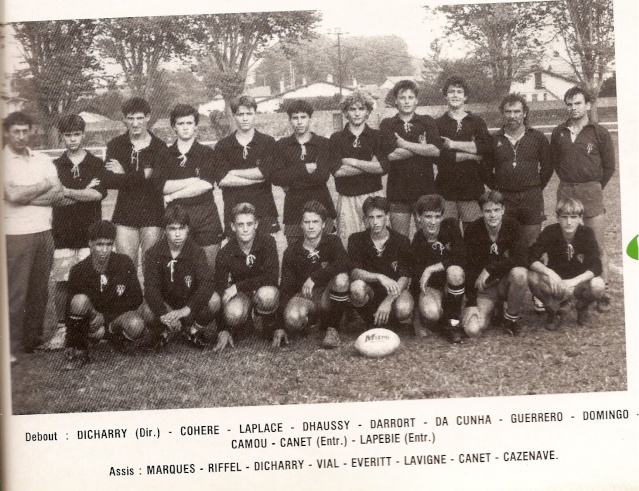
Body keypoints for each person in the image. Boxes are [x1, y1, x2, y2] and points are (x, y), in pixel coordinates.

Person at [549, 86, 615, 312]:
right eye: (569, 104)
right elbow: (556, 163)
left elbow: (609, 166)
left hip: (591, 191)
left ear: (587, 105)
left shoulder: (600, 132)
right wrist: (571, 182)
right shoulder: (559, 132)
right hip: (566, 190)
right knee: (565, 241)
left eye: (578, 103)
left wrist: (593, 186)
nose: (573, 108)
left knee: (597, 244)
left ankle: (602, 291)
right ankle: (566, 291)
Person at [4, 111, 63, 362]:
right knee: (16, 291)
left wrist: (24, 195)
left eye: (24, 130)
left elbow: (58, 194)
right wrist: (42, 186)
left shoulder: (42, 159)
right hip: (15, 233)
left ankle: (32, 341)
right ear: (6, 133)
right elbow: (12, 195)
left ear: (31, 131)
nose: (20, 136)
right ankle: (9, 346)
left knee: (39, 291)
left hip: (44, 232)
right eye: (15, 131)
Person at [48, 114, 107, 349]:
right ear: (62, 136)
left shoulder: (95, 163)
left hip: (90, 235)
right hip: (62, 235)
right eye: (68, 135)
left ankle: (92, 326)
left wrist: (67, 191)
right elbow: (54, 198)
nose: (72, 139)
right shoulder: (55, 165)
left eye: (76, 134)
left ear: (83, 135)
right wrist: (81, 191)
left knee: (91, 281)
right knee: (62, 283)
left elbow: (97, 195)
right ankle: (62, 329)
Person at [64, 220, 145, 370]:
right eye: (99, 244)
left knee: (136, 324)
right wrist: (71, 341)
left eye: (109, 244)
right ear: (90, 243)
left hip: (114, 318)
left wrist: (106, 317)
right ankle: (80, 349)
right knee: (80, 300)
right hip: (92, 323)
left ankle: (116, 339)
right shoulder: (78, 270)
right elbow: (70, 308)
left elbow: (136, 298)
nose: (104, 250)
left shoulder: (124, 263)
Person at [102, 97, 168, 269]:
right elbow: (109, 180)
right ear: (124, 119)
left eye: (139, 118)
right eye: (131, 118)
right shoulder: (116, 145)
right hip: (125, 215)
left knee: (151, 268)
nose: (135, 123)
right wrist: (142, 175)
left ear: (148, 117)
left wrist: (124, 174)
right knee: (125, 268)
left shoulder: (160, 147)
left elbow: (156, 182)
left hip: (153, 215)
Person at [153, 104, 223, 267]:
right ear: (173, 127)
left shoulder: (206, 153)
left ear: (195, 126)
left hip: (206, 215)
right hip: (177, 216)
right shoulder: (164, 154)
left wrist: (174, 195)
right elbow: (161, 186)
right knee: (180, 268)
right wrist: (193, 180)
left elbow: (205, 184)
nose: (185, 127)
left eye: (189, 123)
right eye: (181, 123)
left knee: (209, 267)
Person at [143, 204, 220, 349]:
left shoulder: (196, 252)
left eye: (181, 228)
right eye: (172, 229)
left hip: (189, 306)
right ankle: (164, 332)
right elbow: (150, 288)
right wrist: (164, 314)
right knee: (147, 310)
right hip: (167, 306)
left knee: (214, 300)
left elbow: (207, 284)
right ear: (165, 230)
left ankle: (193, 331)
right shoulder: (153, 253)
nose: (177, 234)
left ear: (188, 229)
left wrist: (186, 309)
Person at [321, 91, 390, 247]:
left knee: (377, 240)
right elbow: (337, 171)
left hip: (374, 195)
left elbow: (383, 167)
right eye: (352, 109)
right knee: (347, 243)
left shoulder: (376, 136)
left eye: (361, 108)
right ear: (346, 112)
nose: (357, 113)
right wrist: (370, 165)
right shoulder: (336, 138)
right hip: (347, 198)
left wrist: (352, 161)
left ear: (368, 111)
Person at [281, 201, 350, 348]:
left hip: (328, 294)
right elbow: (286, 289)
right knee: (292, 319)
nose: (311, 226)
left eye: (315, 222)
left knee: (342, 279)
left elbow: (344, 263)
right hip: (307, 297)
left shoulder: (333, 241)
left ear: (323, 224)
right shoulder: (292, 251)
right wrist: (280, 325)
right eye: (307, 222)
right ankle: (313, 321)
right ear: (301, 224)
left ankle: (333, 328)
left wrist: (315, 277)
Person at [528, 198, 605, 330]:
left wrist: (573, 282)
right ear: (558, 218)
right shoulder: (550, 231)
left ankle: (581, 306)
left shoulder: (586, 233)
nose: (569, 222)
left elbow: (596, 265)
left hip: (578, 283)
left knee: (598, 285)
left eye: (573, 217)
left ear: (580, 218)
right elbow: (529, 256)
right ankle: (552, 310)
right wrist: (549, 273)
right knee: (532, 276)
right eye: (564, 217)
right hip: (556, 282)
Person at [486, 93, 552, 247]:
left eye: (516, 111)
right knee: (507, 243)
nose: (512, 116)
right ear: (502, 114)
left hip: (531, 197)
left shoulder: (537, 137)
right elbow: (485, 170)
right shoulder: (494, 139)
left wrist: (534, 186)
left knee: (532, 243)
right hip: (505, 197)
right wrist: (498, 189)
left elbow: (547, 167)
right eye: (508, 112)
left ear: (524, 113)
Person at [213, 203, 280, 350]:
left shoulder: (268, 242)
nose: (245, 229)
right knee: (233, 313)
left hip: (261, 290)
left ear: (256, 224)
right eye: (240, 224)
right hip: (243, 295)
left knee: (268, 294)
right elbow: (219, 289)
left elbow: (272, 277)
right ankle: (246, 321)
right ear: (232, 226)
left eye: (249, 224)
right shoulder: (225, 252)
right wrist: (222, 329)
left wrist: (237, 286)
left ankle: (269, 324)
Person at [379, 80, 442, 236]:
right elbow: (391, 155)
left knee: (428, 238)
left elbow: (435, 151)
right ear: (395, 101)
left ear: (417, 100)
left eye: (410, 97)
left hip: (425, 191)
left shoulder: (427, 120)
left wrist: (403, 143)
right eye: (402, 97)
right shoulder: (388, 124)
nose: (407, 101)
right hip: (398, 192)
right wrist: (421, 147)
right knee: (400, 240)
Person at [347, 197, 413, 343]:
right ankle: (371, 321)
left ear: (387, 217)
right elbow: (354, 271)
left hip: (393, 292)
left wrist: (388, 301)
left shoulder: (401, 241)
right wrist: (379, 277)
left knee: (404, 308)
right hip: (370, 291)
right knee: (356, 287)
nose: (375, 222)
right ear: (365, 219)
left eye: (379, 217)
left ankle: (391, 321)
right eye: (371, 217)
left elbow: (404, 276)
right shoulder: (356, 239)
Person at [463, 190, 528, 337]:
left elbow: (522, 258)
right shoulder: (473, 230)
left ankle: (510, 318)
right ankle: (493, 309)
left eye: (496, 210)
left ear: (503, 210)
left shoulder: (513, 225)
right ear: (482, 212)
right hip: (486, 287)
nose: (493, 215)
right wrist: (472, 302)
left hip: (506, 282)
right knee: (472, 330)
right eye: (488, 211)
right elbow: (468, 267)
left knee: (520, 274)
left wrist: (490, 268)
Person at [214, 95, 280, 235]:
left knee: (264, 251)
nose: (245, 118)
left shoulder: (267, 142)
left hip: (263, 209)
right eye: (240, 114)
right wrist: (256, 176)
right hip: (233, 208)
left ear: (255, 114)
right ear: (233, 116)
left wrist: (233, 172)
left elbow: (265, 173)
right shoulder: (222, 145)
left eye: (249, 114)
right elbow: (223, 180)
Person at [274, 100, 337, 244]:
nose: (299, 122)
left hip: (321, 202)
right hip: (293, 206)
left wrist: (291, 177)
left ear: (310, 118)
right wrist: (304, 168)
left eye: (303, 117)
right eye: (295, 118)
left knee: (325, 249)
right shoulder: (282, 145)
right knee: (296, 251)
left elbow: (322, 176)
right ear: (290, 120)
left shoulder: (323, 143)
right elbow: (278, 178)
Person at [435, 76, 493, 230]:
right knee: (448, 235)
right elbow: (439, 156)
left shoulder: (476, 122)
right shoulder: (438, 124)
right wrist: (470, 155)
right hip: (446, 190)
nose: (455, 95)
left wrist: (453, 144)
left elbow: (485, 147)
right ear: (445, 96)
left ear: (465, 96)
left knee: (473, 235)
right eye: (451, 92)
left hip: (472, 189)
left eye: (459, 92)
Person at [410, 194, 466, 343]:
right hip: (433, 288)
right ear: (418, 217)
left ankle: (453, 323)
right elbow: (416, 281)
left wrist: (431, 268)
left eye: (437, 216)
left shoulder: (451, 226)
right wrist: (416, 322)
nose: (433, 221)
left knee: (455, 272)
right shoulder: (417, 241)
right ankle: (443, 320)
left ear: (442, 217)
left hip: (451, 284)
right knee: (431, 312)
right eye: (428, 216)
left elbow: (461, 256)